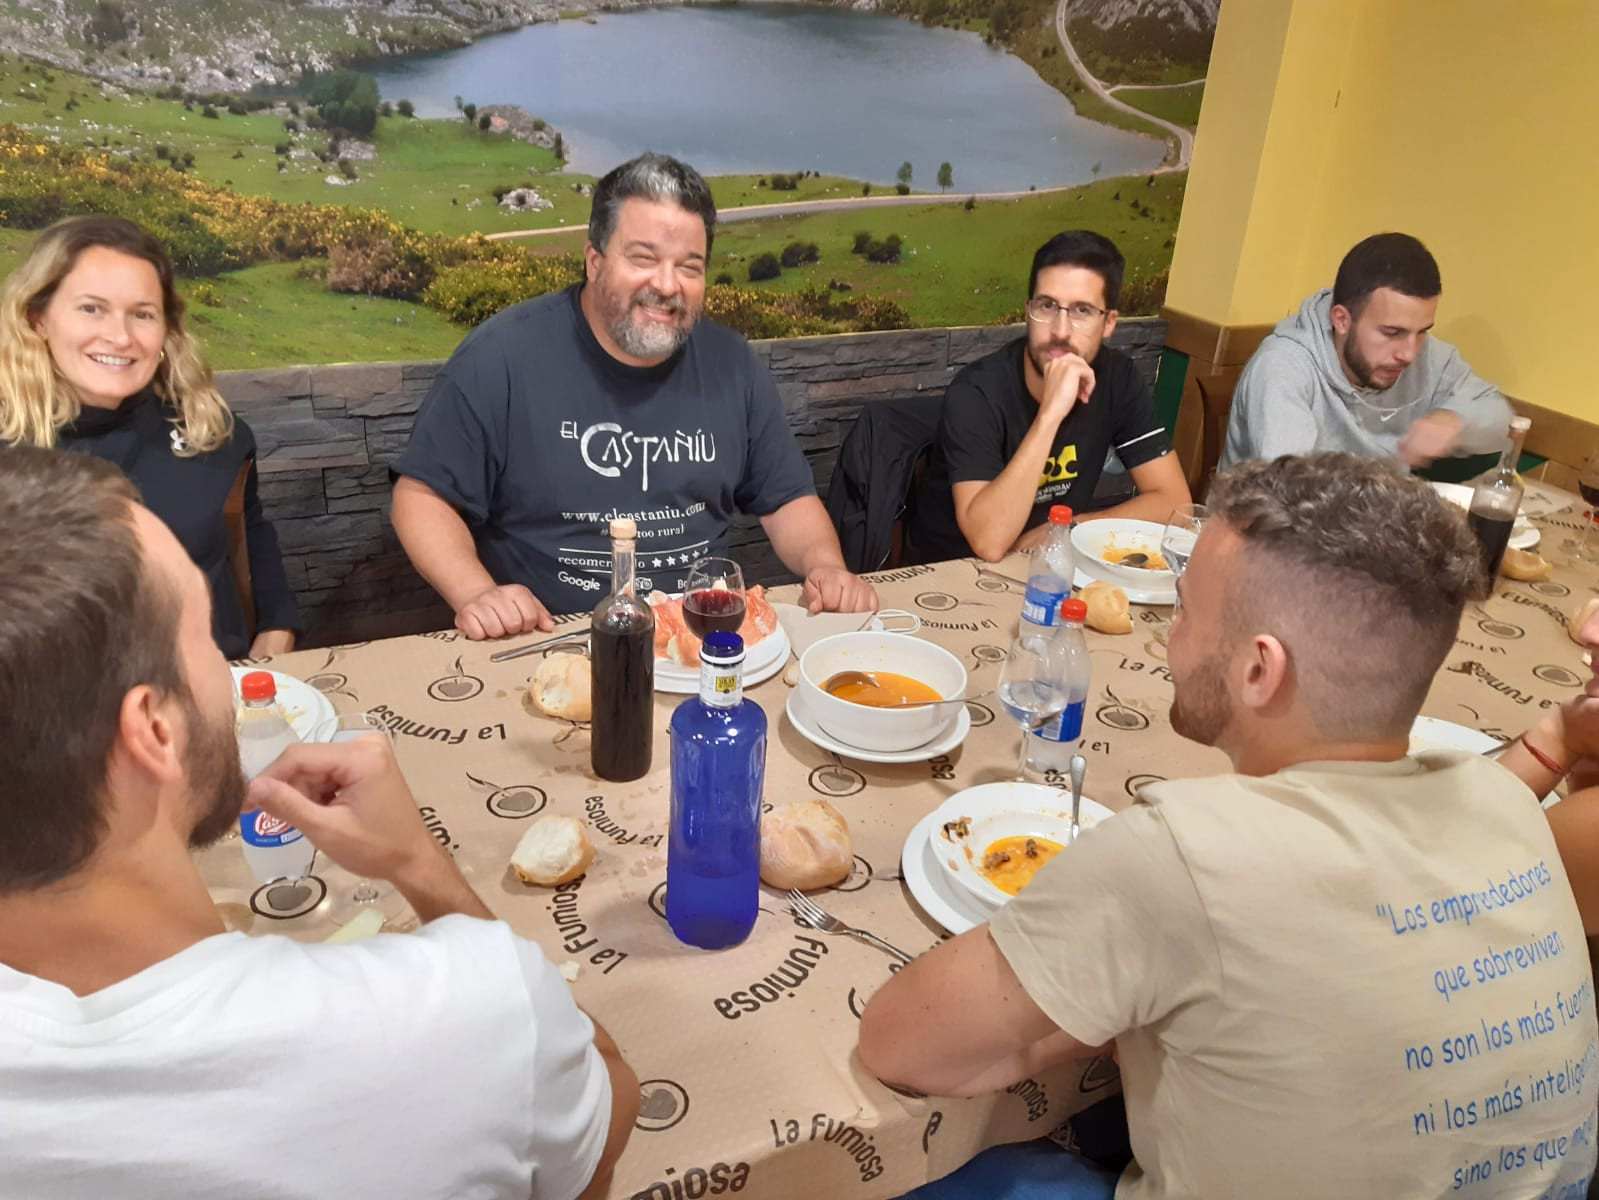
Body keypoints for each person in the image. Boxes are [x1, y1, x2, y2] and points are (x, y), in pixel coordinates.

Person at [861, 452, 1598, 1199]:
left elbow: (901, 1047)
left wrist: (1122, 1009)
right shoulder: (1508, 802)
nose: (1168, 636)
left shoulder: (1177, 854)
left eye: (1182, 610)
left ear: (1258, 670)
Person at [0, 445, 638, 1200]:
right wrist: (419, 866)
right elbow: (602, 1104)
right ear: (155, 732)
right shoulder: (468, 1005)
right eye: (205, 639)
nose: (228, 673)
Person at [391, 153, 877, 640]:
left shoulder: (734, 363)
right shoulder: (500, 356)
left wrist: (826, 566)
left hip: (698, 640)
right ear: (594, 260)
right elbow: (421, 498)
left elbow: (788, 499)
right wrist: (477, 593)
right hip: (549, 639)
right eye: (643, 258)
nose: (667, 285)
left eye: (689, 266)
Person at [0, 215, 300, 659]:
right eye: (91, 308)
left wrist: (278, 629)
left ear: (166, 329)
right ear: (38, 319)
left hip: (213, 691)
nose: (120, 336)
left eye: (142, 314)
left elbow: (249, 533)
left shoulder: (204, 427)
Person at [905, 231, 1190, 564]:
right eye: (1047, 306)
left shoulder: (1118, 378)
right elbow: (989, 542)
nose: (1060, 330)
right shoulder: (977, 391)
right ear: (1028, 310)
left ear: (1109, 322)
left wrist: (1070, 527)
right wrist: (1050, 414)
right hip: (952, 575)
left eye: (1082, 310)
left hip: (1048, 563)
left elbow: (1173, 501)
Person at [1221, 232, 1514, 470]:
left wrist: (1452, 422)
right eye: (1391, 333)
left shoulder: (1424, 356)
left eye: (1423, 331)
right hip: (1267, 534)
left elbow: (1501, 418)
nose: (1409, 354)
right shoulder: (1284, 366)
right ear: (1342, 320)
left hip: (1365, 528)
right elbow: (1292, 495)